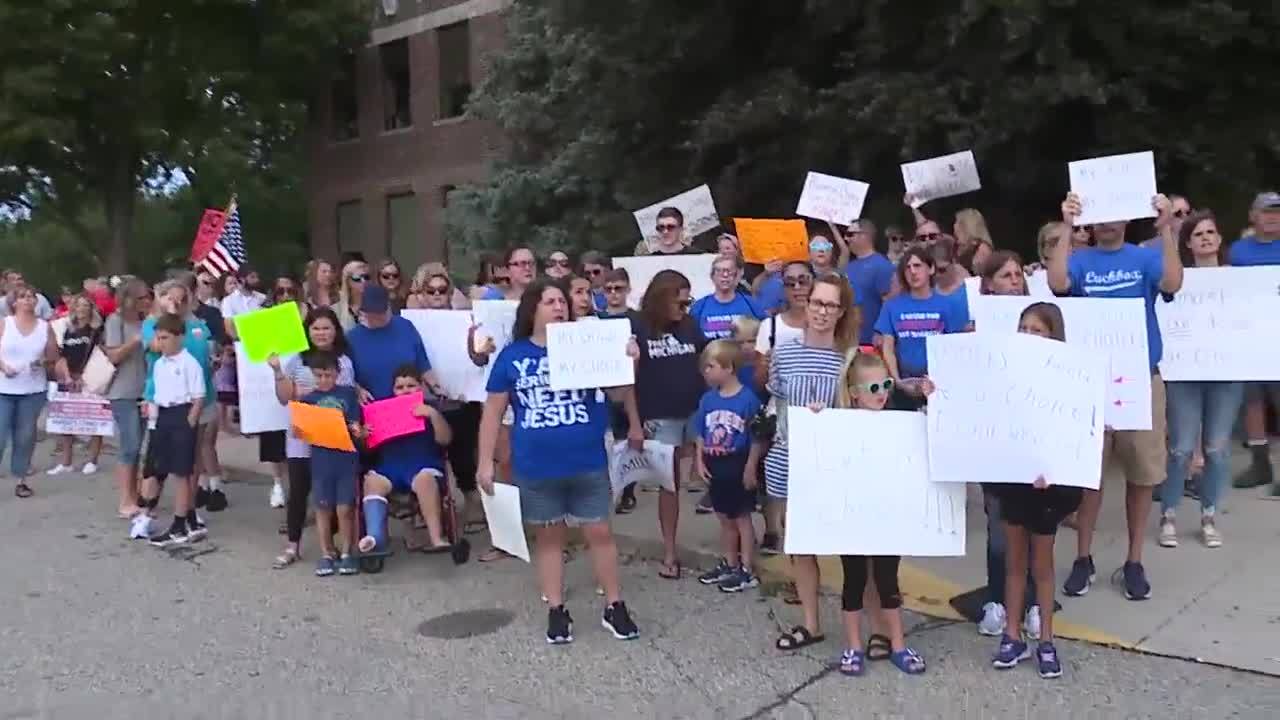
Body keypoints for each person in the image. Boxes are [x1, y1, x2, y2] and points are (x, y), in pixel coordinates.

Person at [477, 279, 641, 644]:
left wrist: (629, 364)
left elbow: (617, 393)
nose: (559, 307)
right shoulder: (513, 356)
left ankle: (615, 605)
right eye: (549, 301)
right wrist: (485, 462)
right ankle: (556, 608)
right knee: (549, 538)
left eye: (562, 301)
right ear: (532, 309)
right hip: (537, 464)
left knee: (599, 532)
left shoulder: (585, 345)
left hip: (586, 459)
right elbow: (493, 412)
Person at [1047, 191, 1182, 601]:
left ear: (1127, 219)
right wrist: (1067, 227)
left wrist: (1166, 230)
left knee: (1141, 476)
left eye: (1114, 216)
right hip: (1091, 381)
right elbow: (1056, 284)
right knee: (1090, 476)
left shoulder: (1143, 258)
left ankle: (1134, 560)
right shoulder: (1082, 260)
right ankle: (1083, 558)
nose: (1107, 223)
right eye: (1099, 217)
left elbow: (1173, 282)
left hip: (1141, 377)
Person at [985, 302, 1083, 679]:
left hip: (1047, 486)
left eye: (1037, 330)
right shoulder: (1005, 376)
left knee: (1041, 566)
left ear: (1052, 336)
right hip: (1013, 482)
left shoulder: (1067, 379)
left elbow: (1072, 431)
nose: (1028, 335)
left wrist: (1056, 470)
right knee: (1013, 562)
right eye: (1023, 328)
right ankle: (1012, 636)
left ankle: (1046, 640)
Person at [763, 274, 860, 652]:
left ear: (841, 312)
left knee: (852, 548)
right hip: (788, 459)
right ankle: (810, 622)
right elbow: (779, 404)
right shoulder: (783, 353)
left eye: (830, 305)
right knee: (799, 544)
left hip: (833, 465)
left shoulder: (848, 359)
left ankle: (870, 624)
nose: (821, 311)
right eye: (817, 302)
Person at [831, 350, 929, 677]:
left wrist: (930, 395)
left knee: (888, 581)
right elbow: (820, 449)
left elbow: (925, 421)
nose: (883, 393)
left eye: (886, 385)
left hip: (887, 516)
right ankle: (853, 646)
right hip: (852, 516)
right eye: (874, 388)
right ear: (855, 393)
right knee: (854, 581)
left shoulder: (898, 421)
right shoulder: (839, 424)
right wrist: (816, 420)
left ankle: (898, 644)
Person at [973, 250, 1044, 639]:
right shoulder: (977, 329)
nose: (1014, 281)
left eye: (1018, 275)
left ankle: (1033, 602)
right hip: (994, 440)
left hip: (1033, 438)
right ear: (988, 284)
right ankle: (996, 600)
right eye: (1005, 275)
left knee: (1035, 524)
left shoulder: (1040, 325)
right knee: (999, 525)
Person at [1158, 211, 1240, 547]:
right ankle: (1169, 514)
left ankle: (1208, 515)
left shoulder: (1242, 281)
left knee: (1217, 449)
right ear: (1188, 244)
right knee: (1180, 448)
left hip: (1227, 373)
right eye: (1198, 234)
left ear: (1220, 239)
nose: (1205, 238)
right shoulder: (1177, 281)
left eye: (1211, 232)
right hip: (1185, 374)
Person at [632, 270, 709, 575]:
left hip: (695, 411)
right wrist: (637, 422)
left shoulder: (690, 325)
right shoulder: (639, 327)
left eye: (689, 298)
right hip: (660, 415)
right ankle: (669, 551)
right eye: (681, 298)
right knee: (670, 484)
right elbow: (628, 381)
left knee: (708, 474)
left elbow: (706, 361)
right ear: (664, 295)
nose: (686, 304)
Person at [269, 307, 354, 569]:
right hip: (301, 438)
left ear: (335, 331)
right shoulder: (296, 360)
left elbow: (346, 396)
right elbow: (284, 397)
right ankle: (292, 545)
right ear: (307, 331)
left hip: (333, 440)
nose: (321, 333)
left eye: (326, 327)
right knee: (299, 491)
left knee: (334, 496)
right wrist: (278, 372)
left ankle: (336, 546)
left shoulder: (345, 362)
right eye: (315, 328)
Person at [359, 365, 454, 554]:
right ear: (393, 390)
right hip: (390, 467)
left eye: (411, 386)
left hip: (423, 464)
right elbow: (367, 449)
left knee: (424, 480)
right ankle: (375, 537)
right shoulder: (381, 411)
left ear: (421, 386)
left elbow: (445, 440)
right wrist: (364, 435)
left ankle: (436, 538)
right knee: (371, 482)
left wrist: (433, 415)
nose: (405, 391)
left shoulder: (430, 408)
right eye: (400, 387)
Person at [693, 340, 763, 593]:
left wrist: (750, 467)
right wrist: (700, 461)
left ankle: (746, 568)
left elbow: (757, 436)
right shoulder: (707, 400)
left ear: (729, 367)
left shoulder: (748, 399)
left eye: (711, 366)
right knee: (723, 517)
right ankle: (730, 562)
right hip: (715, 463)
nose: (706, 372)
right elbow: (700, 432)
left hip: (738, 461)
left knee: (742, 517)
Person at [753, 261, 811, 552]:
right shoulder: (771, 326)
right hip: (781, 410)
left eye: (803, 280)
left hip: (816, 410)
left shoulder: (824, 322)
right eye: (791, 283)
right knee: (776, 472)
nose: (798, 288)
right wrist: (767, 364)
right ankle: (772, 528)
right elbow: (760, 379)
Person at [1227, 191, 1280, 495]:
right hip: (1248, 337)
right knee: (1253, 401)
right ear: (1252, 216)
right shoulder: (1238, 251)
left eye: (1277, 211)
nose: (1272, 216)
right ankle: (1260, 464)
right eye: (1266, 211)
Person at [297, 350, 364, 576]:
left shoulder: (348, 395)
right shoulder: (307, 400)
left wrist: (357, 430)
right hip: (320, 461)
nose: (324, 380)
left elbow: (356, 424)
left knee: (345, 508)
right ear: (313, 376)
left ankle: (347, 551)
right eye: (319, 376)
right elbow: (301, 432)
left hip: (346, 459)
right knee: (323, 508)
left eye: (328, 375)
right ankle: (326, 552)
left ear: (337, 373)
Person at [143, 313, 207, 547]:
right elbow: (159, 394)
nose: (161, 343)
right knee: (166, 468)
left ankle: (179, 524)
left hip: (182, 414)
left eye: (166, 338)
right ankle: (189, 519)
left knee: (182, 473)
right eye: (159, 338)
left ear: (180, 337)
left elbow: (199, 397)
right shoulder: (159, 364)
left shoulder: (189, 363)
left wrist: (190, 421)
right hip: (164, 415)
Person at [874, 248, 970, 405]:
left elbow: (955, 348)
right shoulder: (892, 307)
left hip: (938, 386)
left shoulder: (948, 305)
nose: (913, 272)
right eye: (908, 267)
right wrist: (897, 380)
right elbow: (888, 348)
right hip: (903, 386)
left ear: (931, 268)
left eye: (917, 265)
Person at [0, 286, 58, 498]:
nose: (28, 300)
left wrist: (43, 361)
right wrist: (3, 366)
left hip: (32, 389)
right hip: (3, 388)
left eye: (32, 297)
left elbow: (53, 356)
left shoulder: (45, 327)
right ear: (14, 303)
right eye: (23, 297)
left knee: (25, 436)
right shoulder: (4, 323)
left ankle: (21, 479)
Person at [103, 278, 152, 517]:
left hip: (145, 390)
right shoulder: (116, 321)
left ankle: (137, 495)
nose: (147, 301)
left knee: (140, 446)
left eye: (148, 296)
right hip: (122, 391)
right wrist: (135, 341)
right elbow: (113, 356)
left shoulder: (148, 321)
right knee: (129, 445)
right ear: (129, 299)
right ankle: (125, 499)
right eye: (142, 297)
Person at [347, 285, 440, 403]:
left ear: (389, 307)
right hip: (374, 405)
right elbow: (345, 375)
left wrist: (437, 388)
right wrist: (357, 390)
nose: (377, 317)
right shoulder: (352, 338)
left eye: (381, 312)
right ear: (364, 312)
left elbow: (423, 365)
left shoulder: (405, 326)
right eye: (373, 313)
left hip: (410, 403)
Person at [47, 294, 104, 475]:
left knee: (95, 420)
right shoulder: (68, 329)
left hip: (90, 377)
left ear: (91, 308)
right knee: (66, 421)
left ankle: (93, 460)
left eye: (85, 305)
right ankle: (66, 462)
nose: (81, 309)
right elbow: (62, 354)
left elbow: (99, 355)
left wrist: (84, 376)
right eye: (78, 305)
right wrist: (66, 375)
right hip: (69, 377)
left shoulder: (97, 329)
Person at [843, 219, 897, 348]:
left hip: (872, 343)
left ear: (864, 235)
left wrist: (881, 332)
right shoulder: (849, 266)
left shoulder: (882, 265)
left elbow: (889, 303)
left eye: (850, 234)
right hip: (849, 342)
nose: (846, 238)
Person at [689, 255, 765, 340]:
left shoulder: (751, 304)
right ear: (712, 277)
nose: (725, 275)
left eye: (729, 271)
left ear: (736, 277)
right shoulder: (700, 307)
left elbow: (765, 332)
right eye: (719, 271)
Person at [219, 265, 267, 339]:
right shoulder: (229, 301)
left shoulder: (262, 298)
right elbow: (229, 328)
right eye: (252, 277)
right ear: (242, 279)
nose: (257, 280)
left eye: (257, 277)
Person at [954, 208, 995, 274]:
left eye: (957, 222)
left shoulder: (982, 250)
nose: (955, 224)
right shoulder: (966, 248)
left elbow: (981, 278)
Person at [332, 259, 370, 331]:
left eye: (366, 277)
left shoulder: (379, 306)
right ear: (347, 281)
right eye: (357, 278)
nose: (363, 281)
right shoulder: (335, 310)